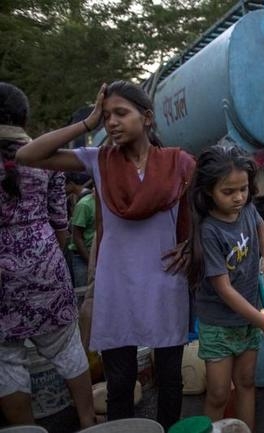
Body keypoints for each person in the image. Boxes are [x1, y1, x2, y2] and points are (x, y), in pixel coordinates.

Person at [15, 80, 195, 429]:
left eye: (120, 113)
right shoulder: (98, 160)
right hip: (118, 284)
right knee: (120, 381)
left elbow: (200, 211)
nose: (111, 122)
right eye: (107, 115)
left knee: (171, 377)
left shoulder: (178, 163)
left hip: (164, 279)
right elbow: (26, 155)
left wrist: (191, 245)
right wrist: (87, 122)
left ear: (146, 118)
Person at [0, 82, 95, 428]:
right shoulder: (44, 157)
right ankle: (88, 420)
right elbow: (59, 222)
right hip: (45, 263)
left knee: (5, 359)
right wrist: (61, 267)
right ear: (24, 118)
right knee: (66, 345)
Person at [185, 141, 264, 430]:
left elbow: (259, 225)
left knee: (246, 382)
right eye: (228, 192)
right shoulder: (209, 231)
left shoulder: (246, 209)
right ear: (208, 191)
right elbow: (225, 290)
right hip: (219, 324)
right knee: (218, 393)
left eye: (243, 189)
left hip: (247, 319)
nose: (239, 197)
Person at [67, 187, 95, 288]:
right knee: (84, 293)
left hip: (99, 257)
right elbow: (77, 237)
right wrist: (90, 262)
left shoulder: (108, 204)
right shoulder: (85, 204)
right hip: (82, 258)